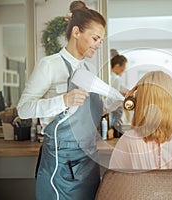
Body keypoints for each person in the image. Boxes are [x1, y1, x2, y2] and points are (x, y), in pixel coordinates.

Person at [17, 1, 120, 199]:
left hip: (88, 159)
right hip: (61, 160)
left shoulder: (88, 70)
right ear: (76, 32)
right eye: (95, 38)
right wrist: (64, 100)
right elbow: (24, 109)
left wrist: (117, 101)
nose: (98, 45)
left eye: (101, 41)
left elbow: (91, 112)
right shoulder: (49, 65)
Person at [109, 49, 129, 137]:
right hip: (115, 107)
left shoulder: (111, 77)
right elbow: (115, 95)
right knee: (117, 118)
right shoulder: (115, 79)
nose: (123, 70)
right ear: (117, 66)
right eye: (122, 68)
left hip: (114, 107)